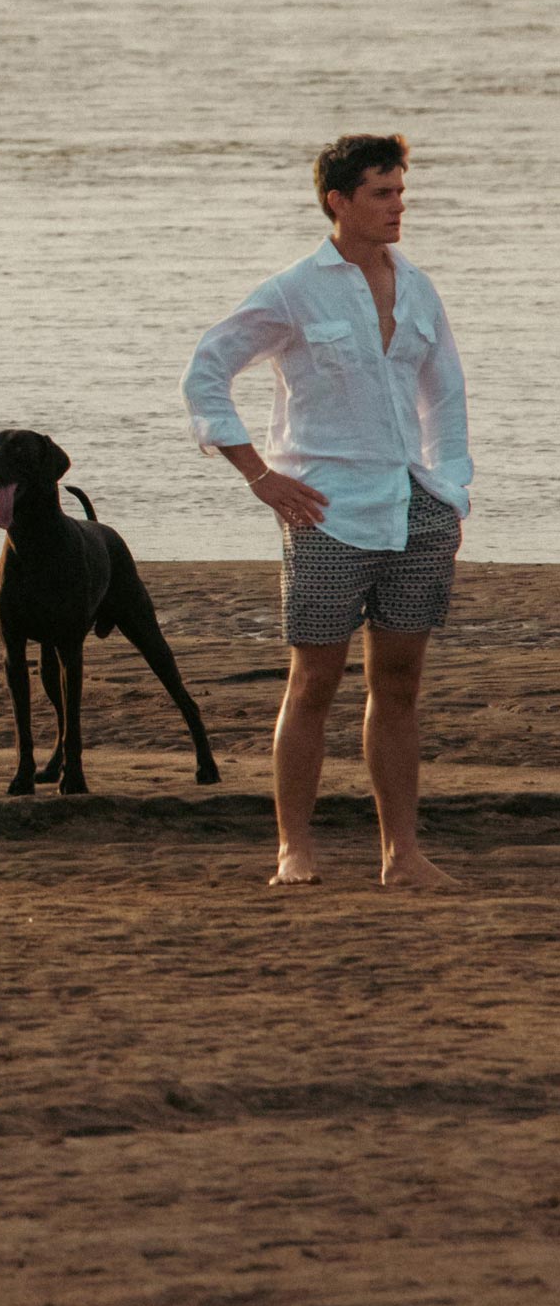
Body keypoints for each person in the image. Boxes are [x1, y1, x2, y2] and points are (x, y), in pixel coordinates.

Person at [181, 134, 471, 890]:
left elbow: (446, 394)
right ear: (339, 201)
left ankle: (401, 855)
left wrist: (452, 487)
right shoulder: (293, 290)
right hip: (323, 510)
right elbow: (207, 371)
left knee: (400, 682)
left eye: (402, 191)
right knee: (314, 680)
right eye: (382, 193)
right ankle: (294, 849)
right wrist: (257, 474)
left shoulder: (418, 287)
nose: (398, 206)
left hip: (416, 507)